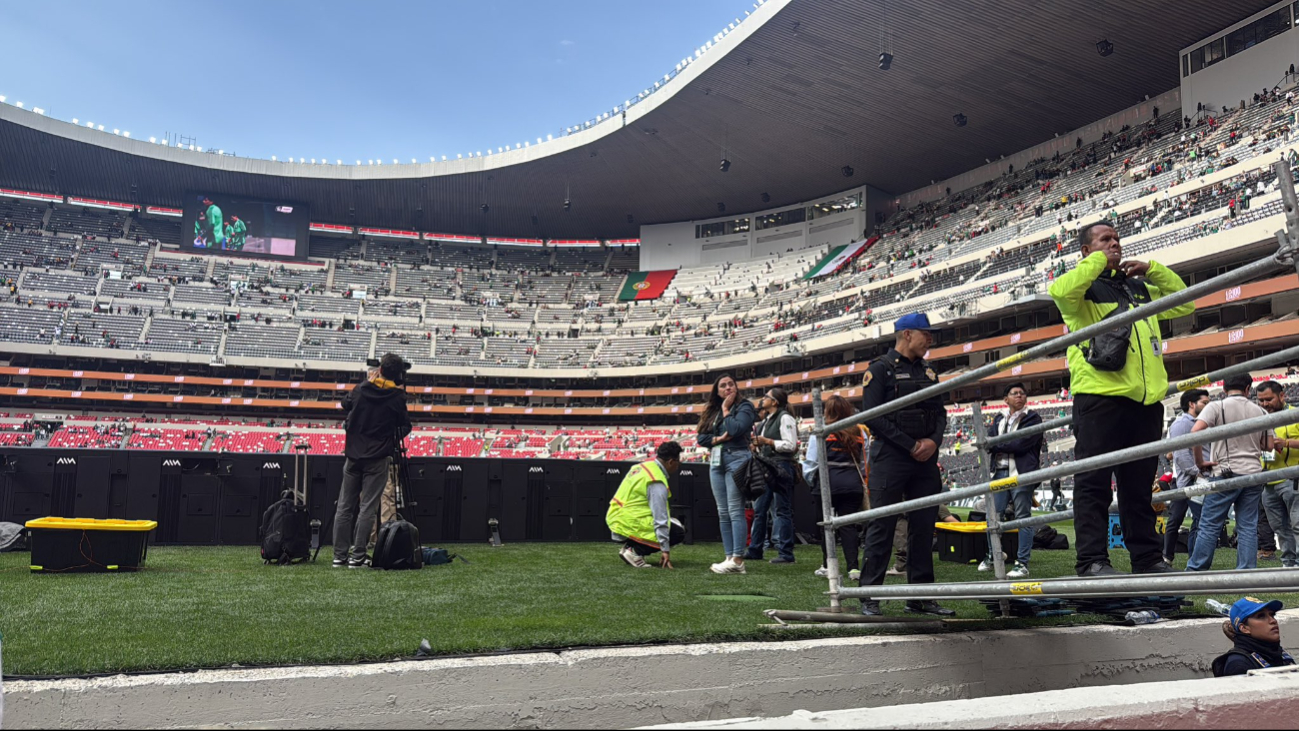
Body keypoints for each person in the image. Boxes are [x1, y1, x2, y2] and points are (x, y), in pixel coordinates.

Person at [1048, 221, 1194, 577]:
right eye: (1105, 240)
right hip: (1100, 399)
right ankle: (1092, 562)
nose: (1114, 244)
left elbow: (1185, 304)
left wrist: (1152, 269)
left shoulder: (1138, 287)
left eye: (1117, 239)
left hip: (1145, 403)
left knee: (1139, 489)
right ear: (1086, 251)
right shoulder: (1081, 289)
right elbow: (1059, 290)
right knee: (1093, 484)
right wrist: (1099, 261)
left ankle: (1147, 560)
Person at [857, 313, 955, 617]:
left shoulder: (928, 371)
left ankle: (921, 597)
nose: (930, 340)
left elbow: (940, 413)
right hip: (891, 458)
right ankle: (869, 596)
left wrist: (933, 442)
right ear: (908, 334)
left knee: (924, 529)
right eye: (926, 334)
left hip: (924, 460)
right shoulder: (880, 370)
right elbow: (873, 416)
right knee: (882, 527)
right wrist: (911, 445)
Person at [332, 353, 413, 569]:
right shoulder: (397, 397)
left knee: (344, 506)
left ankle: (339, 556)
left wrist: (368, 382)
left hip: (353, 456)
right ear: (398, 375)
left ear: (380, 370)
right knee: (368, 507)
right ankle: (358, 556)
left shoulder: (361, 389)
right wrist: (389, 439)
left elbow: (345, 403)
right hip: (377, 458)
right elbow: (405, 426)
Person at [1186, 374, 1273, 571]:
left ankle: (1196, 570)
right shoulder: (1260, 411)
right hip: (1253, 474)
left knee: (1209, 525)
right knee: (1248, 526)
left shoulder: (1216, 406)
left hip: (1225, 471)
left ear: (1224, 389)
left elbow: (1195, 432)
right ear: (1248, 389)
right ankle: (1246, 572)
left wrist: (1199, 462)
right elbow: (1268, 445)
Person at [979, 383, 1043, 578]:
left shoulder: (1033, 417)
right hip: (999, 472)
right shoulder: (999, 418)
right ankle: (994, 554)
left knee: (1023, 517)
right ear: (1006, 399)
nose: (1019, 396)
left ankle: (1022, 563)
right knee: (993, 516)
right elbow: (988, 441)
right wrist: (996, 444)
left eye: (1022, 393)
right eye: (1015, 393)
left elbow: (1021, 444)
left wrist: (996, 445)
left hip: (1021, 473)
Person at [696, 373, 756, 575]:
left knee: (735, 509)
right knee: (723, 511)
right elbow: (701, 438)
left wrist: (726, 409)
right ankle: (729, 556)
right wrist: (719, 439)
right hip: (716, 460)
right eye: (723, 385)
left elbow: (736, 429)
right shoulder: (711, 410)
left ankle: (738, 559)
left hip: (737, 458)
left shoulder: (745, 406)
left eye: (731, 384)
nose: (728, 388)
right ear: (717, 390)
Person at [804, 395, 868, 580]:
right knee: (849, 526)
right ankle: (853, 568)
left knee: (826, 526)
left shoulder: (820, 431)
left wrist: (812, 482)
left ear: (827, 411)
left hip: (827, 485)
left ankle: (828, 566)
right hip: (852, 484)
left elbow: (811, 462)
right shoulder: (859, 431)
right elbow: (865, 460)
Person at [607, 441, 685, 568]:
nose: (678, 465)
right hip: (628, 521)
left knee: (673, 523)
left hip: (617, 517)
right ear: (671, 462)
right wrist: (665, 549)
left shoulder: (642, 467)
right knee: (677, 532)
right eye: (678, 462)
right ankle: (635, 552)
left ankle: (630, 547)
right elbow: (660, 518)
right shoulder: (656, 480)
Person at [746, 387, 799, 564]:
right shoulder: (768, 420)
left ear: (774, 402)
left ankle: (785, 553)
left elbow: (791, 445)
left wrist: (767, 441)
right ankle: (756, 549)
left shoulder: (785, 418)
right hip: (768, 466)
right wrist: (757, 445)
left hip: (780, 466)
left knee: (781, 510)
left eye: (766, 397)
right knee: (760, 510)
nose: (763, 399)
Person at [1164, 389, 1210, 566]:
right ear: (1192, 404)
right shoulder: (1182, 424)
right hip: (1187, 480)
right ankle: (1168, 556)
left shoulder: (1201, 422)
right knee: (1176, 519)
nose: (1208, 405)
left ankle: (1193, 557)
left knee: (1198, 521)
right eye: (1204, 402)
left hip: (1197, 478)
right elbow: (1180, 455)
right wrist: (1197, 472)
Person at [1257, 381, 1299, 568]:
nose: (1265, 404)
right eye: (1261, 400)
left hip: (1293, 479)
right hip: (1268, 482)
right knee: (1279, 527)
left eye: (1269, 399)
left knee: (1297, 525)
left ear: (1282, 396)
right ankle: (1288, 563)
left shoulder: (1295, 414)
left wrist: (1286, 443)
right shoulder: (1259, 419)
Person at [1212, 597, 1295, 677]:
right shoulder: (1238, 664)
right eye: (1261, 616)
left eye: (1272, 615)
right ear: (1244, 628)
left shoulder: (1277, 652)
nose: (1273, 621)